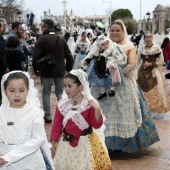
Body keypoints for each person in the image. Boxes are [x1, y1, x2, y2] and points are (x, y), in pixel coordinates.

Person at [90, 19, 159, 152]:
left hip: (123, 86)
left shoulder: (129, 46)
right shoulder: (102, 44)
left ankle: (120, 146)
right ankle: (103, 144)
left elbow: (132, 65)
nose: (114, 33)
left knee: (124, 115)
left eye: (118, 30)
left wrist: (116, 74)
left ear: (123, 31)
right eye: (112, 30)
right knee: (103, 114)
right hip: (102, 86)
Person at [50, 69, 112, 170]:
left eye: (70, 86)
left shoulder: (88, 104)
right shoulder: (62, 105)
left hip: (85, 144)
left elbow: (96, 125)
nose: (66, 89)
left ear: (80, 87)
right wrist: (52, 143)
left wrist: (97, 109)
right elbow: (56, 125)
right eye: (65, 86)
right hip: (65, 146)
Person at [0, 71, 54, 169]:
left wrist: (10, 157)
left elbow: (37, 139)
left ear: (28, 90)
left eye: (21, 90)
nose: (17, 95)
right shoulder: (1, 112)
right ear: (5, 91)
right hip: (3, 160)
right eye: (12, 90)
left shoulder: (34, 113)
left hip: (28, 160)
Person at [33, 19, 74, 123]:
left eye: (42, 27)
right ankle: (63, 114)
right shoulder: (60, 39)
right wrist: (68, 69)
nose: (41, 28)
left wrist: (36, 70)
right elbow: (69, 56)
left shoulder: (41, 39)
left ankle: (47, 115)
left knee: (46, 93)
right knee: (60, 92)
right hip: (60, 70)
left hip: (46, 71)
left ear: (46, 27)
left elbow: (35, 56)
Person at [82, 35, 127, 100]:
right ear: (98, 46)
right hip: (100, 69)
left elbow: (117, 57)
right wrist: (87, 61)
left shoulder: (111, 50)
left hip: (110, 68)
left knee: (112, 79)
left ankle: (112, 90)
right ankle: (102, 93)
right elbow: (92, 57)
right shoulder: (97, 52)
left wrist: (112, 61)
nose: (105, 45)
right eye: (103, 45)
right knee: (100, 81)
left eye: (106, 43)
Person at [137, 31, 170, 116]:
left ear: (152, 38)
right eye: (146, 37)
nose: (148, 39)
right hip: (142, 72)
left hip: (154, 72)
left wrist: (151, 64)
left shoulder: (156, 48)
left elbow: (162, 62)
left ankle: (154, 111)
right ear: (144, 38)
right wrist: (136, 72)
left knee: (155, 91)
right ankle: (143, 110)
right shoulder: (141, 49)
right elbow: (137, 62)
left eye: (150, 37)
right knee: (142, 91)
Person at [0, 22, 8, 105]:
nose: (3, 28)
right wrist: (5, 66)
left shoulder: (1, 38)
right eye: (2, 26)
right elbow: (1, 54)